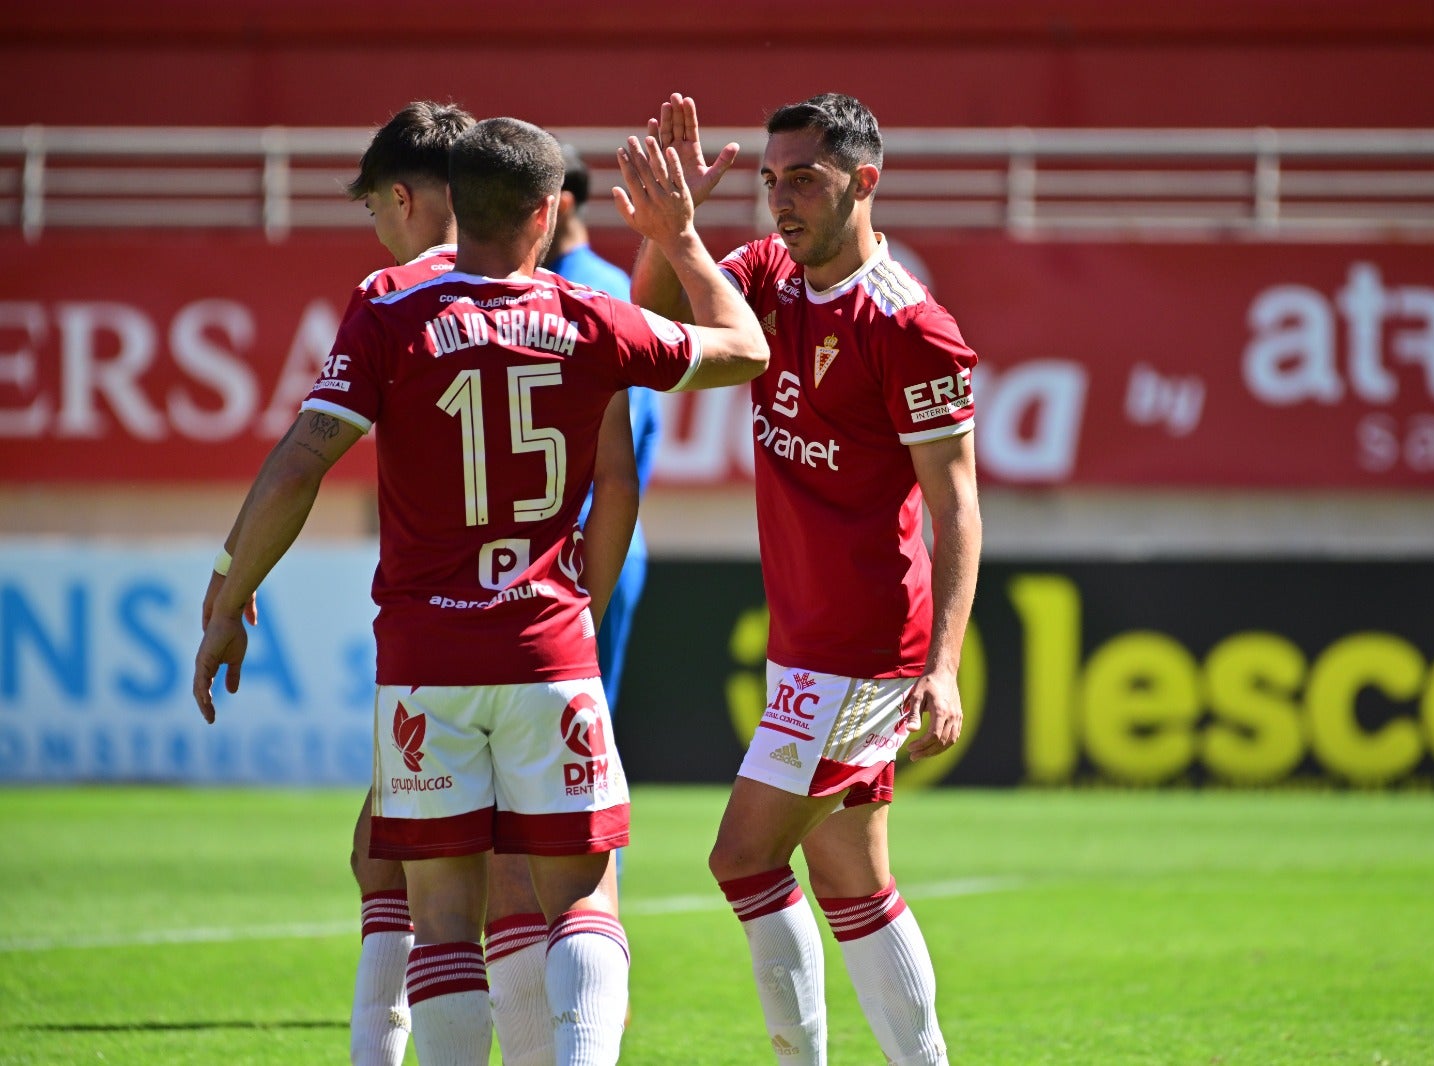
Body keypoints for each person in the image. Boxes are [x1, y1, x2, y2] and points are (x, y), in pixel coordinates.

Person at [194, 117, 768, 1065]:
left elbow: (300, 463)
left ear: (453, 205)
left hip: (426, 666)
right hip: (548, 649)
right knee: (578, 900)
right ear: (550, 213)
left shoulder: (388, 310)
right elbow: (743, 349)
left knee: (444, 917)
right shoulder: (592, 317)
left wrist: (227, 595)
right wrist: (679, 236)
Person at [630, 92, 981, 1066]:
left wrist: (943, 665)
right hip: (805, 640)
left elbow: (954, 506)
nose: (780, 201)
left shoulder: (912, 327)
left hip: (865, 644)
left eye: (804, 180)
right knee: (851, 878)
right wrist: (677, 234)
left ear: (863, 183)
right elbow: (651, 321)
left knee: (741, 857)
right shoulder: (765, 276)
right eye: (770, 179)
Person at [544, 142, 660, 735]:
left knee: (578, 729)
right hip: (584, 536)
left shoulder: (596, 291)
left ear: (559, 204)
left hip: (590, 535)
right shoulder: (587, 284)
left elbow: (632, 429)